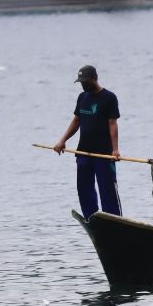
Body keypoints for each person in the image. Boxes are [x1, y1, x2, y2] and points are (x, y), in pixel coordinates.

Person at [53, 64, 121, 219]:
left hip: (104, 154)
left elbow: (113, 124)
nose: (83, 84)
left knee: (107, 190)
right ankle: (92, 218)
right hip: (83, 152)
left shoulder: (109, 98)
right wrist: (62, 140)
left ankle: (114, 220)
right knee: (84, 190)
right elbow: (77, 120)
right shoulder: (82, 97)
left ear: (94, 78)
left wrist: (115, 150)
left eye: (85, 81)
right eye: (80, 82)